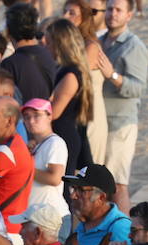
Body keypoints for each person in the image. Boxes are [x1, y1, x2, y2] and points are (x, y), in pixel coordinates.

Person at [99, 0, 147, 211]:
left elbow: (137, 88)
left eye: (119, 10)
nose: (112, 14)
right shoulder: (100, 41)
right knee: (101, 185)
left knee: (118, 184)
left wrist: (113, 76)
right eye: (109, 9)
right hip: (100, 122)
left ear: (129, 15)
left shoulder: (134, 46)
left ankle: (126, 240)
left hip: (120, 123)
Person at [0, 95, 34, 245]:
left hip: (1, 232)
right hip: (10, 229)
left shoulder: (6, 152)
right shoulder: (16, 145)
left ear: (10, 120)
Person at [61, 0, 109, 165]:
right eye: (65, 11)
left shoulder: (91, 46)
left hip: (89, 111)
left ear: (84, 18)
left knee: (87, 172)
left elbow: (78, 76)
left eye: (72, 13)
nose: (65, 16)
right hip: (70, 110)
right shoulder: (68, 46)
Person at [44, 17, 93, 171]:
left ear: (60, 45)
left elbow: (55, 112)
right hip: (60, 134)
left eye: (49, 43)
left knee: (63, 190)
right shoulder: (62, 69)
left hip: (64, 136)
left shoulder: (71, 74)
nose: (46, 47)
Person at [63, 163, 131, 245]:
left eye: (80, 190)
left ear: (101, 197)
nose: (73, 195)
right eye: (73, 188)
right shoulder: (84, 224)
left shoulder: (119, 228)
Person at [21, 99, 69, 219]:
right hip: (40, 217)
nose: (31, 121)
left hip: (52, 218)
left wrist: (23, 167)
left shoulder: (55, 143)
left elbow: (55, 178)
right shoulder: (38, 145)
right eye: (27, 117)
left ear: (49, 116)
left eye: (37, 115)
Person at [0, 3, 57, 103]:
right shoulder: (49, 55)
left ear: (8, 32)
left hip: (24, 116)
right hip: (46, 115)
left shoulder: (9, 64)